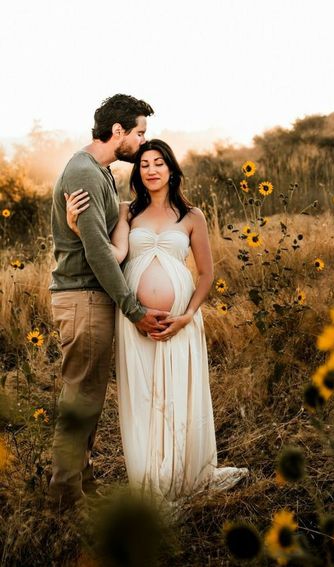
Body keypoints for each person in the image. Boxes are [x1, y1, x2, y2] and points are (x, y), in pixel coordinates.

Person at [66, 139, 248, 502]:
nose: (151, 169)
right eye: (144, 164)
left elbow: (207, 275)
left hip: (181, 323)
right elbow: (114, 253)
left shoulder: (193, 216)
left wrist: (187, 316)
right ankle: (153, 483)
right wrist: (78, 227)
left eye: (158, 163)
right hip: (136, 323)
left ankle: (189, 472)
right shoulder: (126, 213)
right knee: (146, 397)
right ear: (138, 173)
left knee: (181, 394)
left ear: (171, 169)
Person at [49, 94, 169, 507]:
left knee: (91, 393)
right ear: (117, 131)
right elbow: (98, 253)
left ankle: (81, 477)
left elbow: (106, 232)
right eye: (139, 133)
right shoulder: (83, 171)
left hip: (90, 297)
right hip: (82, 297)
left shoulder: (98, 173)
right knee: (80, 395)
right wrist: (133, 309)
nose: (141, 142)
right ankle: (64, 494)